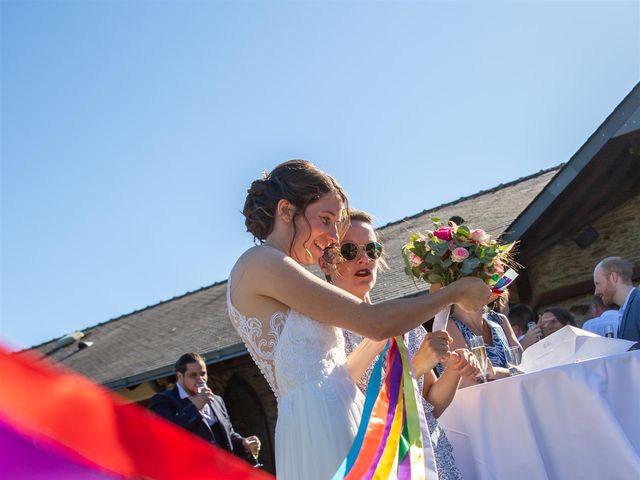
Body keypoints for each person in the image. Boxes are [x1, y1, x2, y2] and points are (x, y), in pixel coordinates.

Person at [227, 159, 491, 480]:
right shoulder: (261, 262)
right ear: (286, 211)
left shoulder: (279, 267)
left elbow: (344, 364)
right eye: (325, 220)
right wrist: (452, 292)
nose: (330, 236)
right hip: (318, 427)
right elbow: (373, 321)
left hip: (341, 417)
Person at [320, 209, 480, 480]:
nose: (364, 258)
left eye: (372, 249)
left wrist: (454, 371)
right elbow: (347, 410)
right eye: (349, 250)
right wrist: (415, 367)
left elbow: (431, 406)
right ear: (325, 264)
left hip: (433, 455)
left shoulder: (407, 324)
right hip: (386, 466)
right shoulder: (328, 335)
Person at [148, 353, 260, 462]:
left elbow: (228, 436)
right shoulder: (162, 400)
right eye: (193, 375)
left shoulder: (217, 400)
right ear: (180, 376)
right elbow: (165, 434)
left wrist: (243, 443)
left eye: (203, 374)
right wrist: (195, 407)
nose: (200, 379)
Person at [444, 301, 521, 387]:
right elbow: (472, 382)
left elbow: (526, 366)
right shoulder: (448, 328)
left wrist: (495, 372)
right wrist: (508, 373)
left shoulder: (499, 320)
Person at [593, 256, 640, 342]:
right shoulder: (625, 309)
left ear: (613, 277)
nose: (596, 292)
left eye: (598, 284)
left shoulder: (638, 303)